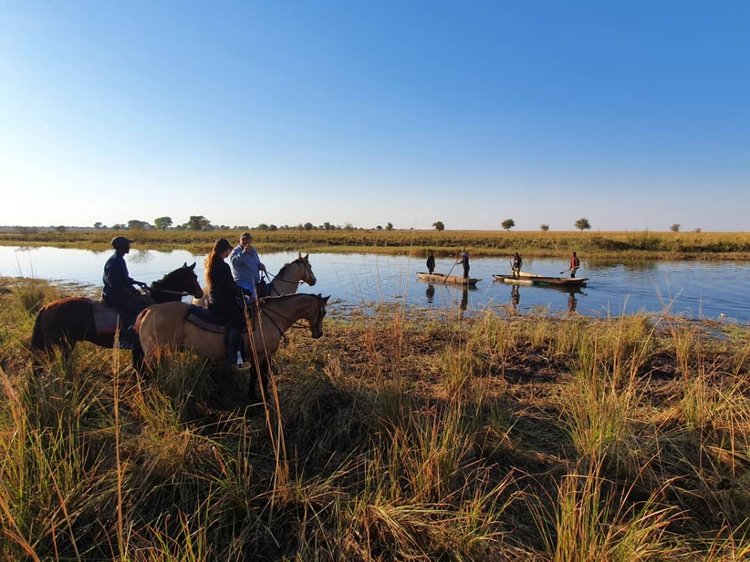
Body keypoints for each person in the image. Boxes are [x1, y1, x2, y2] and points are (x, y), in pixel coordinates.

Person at [102, 236, 149, 349]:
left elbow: (124, 279)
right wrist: (130, 293)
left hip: (117, 292)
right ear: (121, 247)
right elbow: (115, 284)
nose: (129, 247)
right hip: (114, 295)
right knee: (137, 309)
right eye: (127, 245)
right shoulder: (115, 261)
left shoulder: (119, 259)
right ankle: (126, 338)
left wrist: (137, 283)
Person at [206, 238, 246, 365]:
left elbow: (228, 285)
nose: (229, 252)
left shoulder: (211, 262)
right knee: (239, 322)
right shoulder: (223, 266)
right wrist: (245, 293)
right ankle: (231, 353)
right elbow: (230, 286)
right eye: (229, 249)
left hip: (215, 300)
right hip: (222, 302)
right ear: (225, 250)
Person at [230, 232, 267, 300]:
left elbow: (256, 263)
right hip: (243, 282)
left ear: (251, 240)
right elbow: (234, 262)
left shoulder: (253, 250)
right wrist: (244, 252)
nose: (245, 241)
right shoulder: (236, 251)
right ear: (240, 240)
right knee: (252, 297)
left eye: (247, 239)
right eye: (243, 239)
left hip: (255, 281)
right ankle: (250, 310)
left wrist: (260, 266)